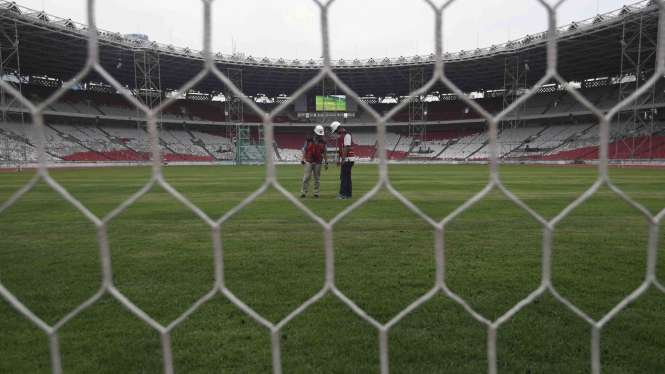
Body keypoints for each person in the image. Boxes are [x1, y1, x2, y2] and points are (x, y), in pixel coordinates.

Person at [300, 125, 328, 198]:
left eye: (320, 135)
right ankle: (303, 193)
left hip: (318, 162)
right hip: (309, 161)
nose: (320, 136)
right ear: (315, 133)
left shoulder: (323, 143)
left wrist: (326, 163)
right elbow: (305, 150)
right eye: (319, 134)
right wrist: (302, 159)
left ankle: (316, 193)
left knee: (317, 179)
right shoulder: (308, 141)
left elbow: (325, 153)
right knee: (306, 178)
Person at [330, 121, 355, 199]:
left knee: (343, 177)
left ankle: (342, 194)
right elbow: (341, 149)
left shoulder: (347, 135)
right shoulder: (342, 136)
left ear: (339, 128)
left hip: (347, 159)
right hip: (347, 159)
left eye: (336, 131)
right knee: (347, 177)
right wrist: (339, 159)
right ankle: (348, 194)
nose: (336, 133)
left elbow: (346, 147)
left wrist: (343, 159)